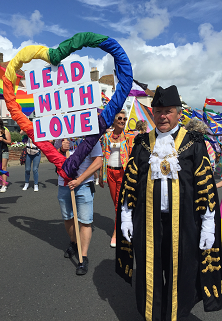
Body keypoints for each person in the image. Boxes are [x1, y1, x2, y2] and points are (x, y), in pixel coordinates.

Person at [116, 85, 222, 320]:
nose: (163, 116)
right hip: (148, 221)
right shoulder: (142, 144)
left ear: (178, 113)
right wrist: (125, 215)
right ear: (152, 113)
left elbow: (205, 187)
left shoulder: (194, 144)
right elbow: (131, 183)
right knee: (149, 271)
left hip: (184, 223)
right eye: (158, 111)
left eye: (168, 111)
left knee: (182, 272)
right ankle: (152, 315)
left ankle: (176, 315)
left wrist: (207, 224)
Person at [54, 137, 102, 275]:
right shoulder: (60, 136)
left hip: (84, 184)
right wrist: (62, 149)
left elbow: (98, 161)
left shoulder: (92, 136)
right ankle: (74, 242)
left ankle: (83, 257)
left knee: (85, 221)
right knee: (68, 217)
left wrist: (79, 180)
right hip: (64, 184)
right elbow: (54, 158)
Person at [99, 110, 134, 247]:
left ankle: (116, 233)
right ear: (114, 120)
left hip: (123, 173)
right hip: (110, 172)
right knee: (116, 203)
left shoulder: (129, 136)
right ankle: (124, 226)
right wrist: (101, 175)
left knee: (119, 205)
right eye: (120, 118)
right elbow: (102, 156)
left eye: (124, 119)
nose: (122, 121)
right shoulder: (107, 136)